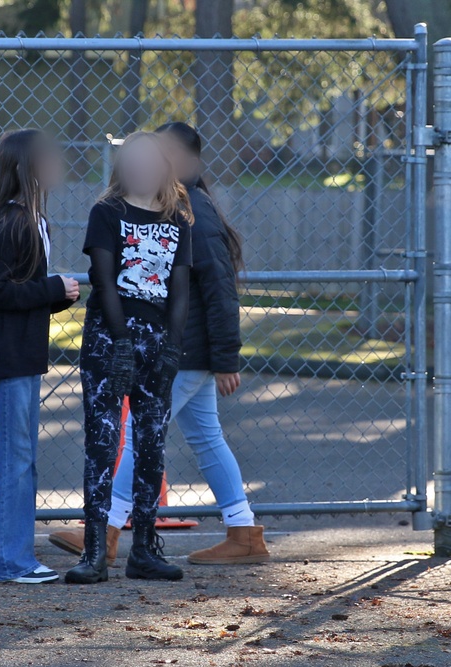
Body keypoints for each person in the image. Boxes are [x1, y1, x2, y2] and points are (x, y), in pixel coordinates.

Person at [49, 122, 269, 566]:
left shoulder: (192, 212)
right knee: (206, 437)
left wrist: (226, 358)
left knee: (139, 438)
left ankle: (107, 531)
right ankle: (244, 531)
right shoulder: (172, 206)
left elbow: (220, 289)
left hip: (183, 348)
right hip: (184, 346)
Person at [65, 131, 193, 585]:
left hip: (156, 339)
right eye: (131, 159)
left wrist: (172, 345)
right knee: (102, 441)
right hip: (109, 337)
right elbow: (103, 279)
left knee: (151, 443)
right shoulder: (108, 213)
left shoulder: (178, 219)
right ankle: (95, 551)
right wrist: (119, 340)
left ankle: (143, 549)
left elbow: (179, 286)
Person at [0, 128, 80, 584]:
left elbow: (19, 291)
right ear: (28, 168)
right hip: (9, 357)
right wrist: (51, 288)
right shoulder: (13, 221)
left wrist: (54, 296)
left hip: (23, 355)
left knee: (22, 457)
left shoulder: (34, 220)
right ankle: (12, 562)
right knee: (17, 460)